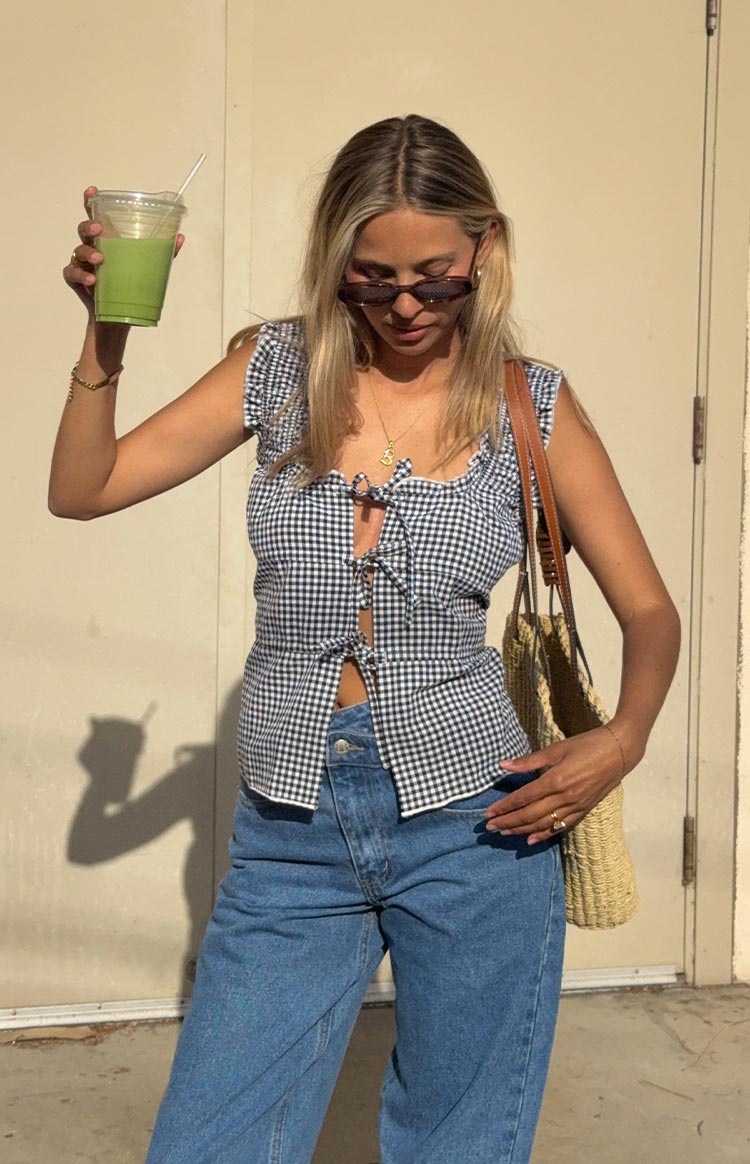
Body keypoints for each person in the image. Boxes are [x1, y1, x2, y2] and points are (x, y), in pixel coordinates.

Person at [52, 114, 680, 1164]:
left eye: (435, 279)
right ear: (334, 258)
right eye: (372, 278)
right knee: (207, 1144)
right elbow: (85, 488)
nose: (405, 306)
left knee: (458, 1146)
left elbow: (651, 610)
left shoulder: (530, 406)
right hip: (291, 825)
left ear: (485, 249)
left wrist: (623, 739)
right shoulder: (277, 370)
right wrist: (105, 330)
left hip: (482, 822)